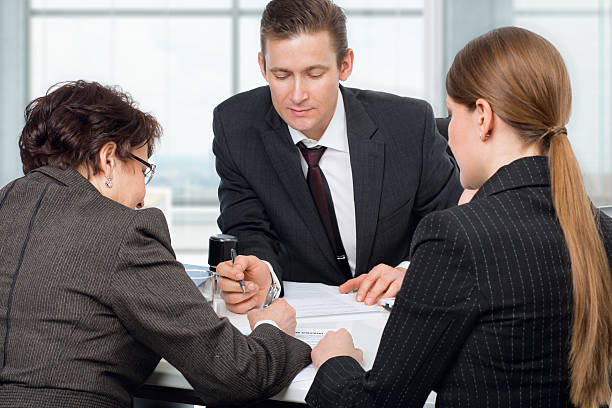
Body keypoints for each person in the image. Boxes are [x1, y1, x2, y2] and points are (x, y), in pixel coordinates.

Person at [306, 27, 612, 408]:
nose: (448, 132)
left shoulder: (455, 237)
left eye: (451, 114)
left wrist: (335, 361)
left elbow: (376, 403)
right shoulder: (599, 229)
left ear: (482, 117)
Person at [0, 80, 311, 408]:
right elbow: (237, 374)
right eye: (143, 169)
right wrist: (272, 327)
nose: (142, 195)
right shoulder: (123, 231)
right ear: (108, 159)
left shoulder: (7, 203)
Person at [213, 0, 462, 313]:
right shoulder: (235, 126)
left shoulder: (408, 125)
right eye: (281, 75)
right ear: (262, 66)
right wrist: (262, 272)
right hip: (300, 317)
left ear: (345, 65)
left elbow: (454, 223)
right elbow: (247, 226)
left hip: (398, 313)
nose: (297, 95)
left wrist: (410, 273)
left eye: (314, 74)